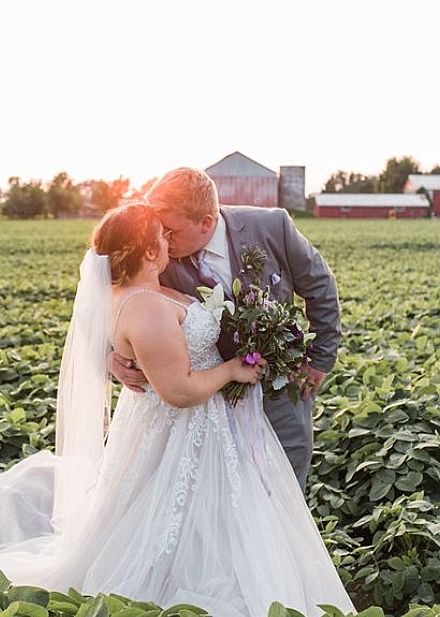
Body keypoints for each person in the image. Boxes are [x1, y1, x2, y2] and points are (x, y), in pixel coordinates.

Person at [0, 203, 353, 617]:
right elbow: (180, 390)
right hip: (184, 423)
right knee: (172, 518)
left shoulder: (151, 290)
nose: (169, 243)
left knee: (212, 514)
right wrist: (232, 370)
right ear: (144, 250)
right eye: (161, 237)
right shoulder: (146, 306)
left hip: (207, 427)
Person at [112, 168, 340, 489]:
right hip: (209, 403)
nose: (162, 239)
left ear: (206, 222)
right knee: (222, 497)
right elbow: (126, 296)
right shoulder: (159, 256)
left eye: (170, 230)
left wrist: (319, 359)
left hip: (280, 386)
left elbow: (320, 287)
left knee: (286, 484)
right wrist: (114, 353)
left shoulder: (273, 227)